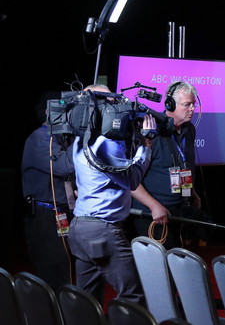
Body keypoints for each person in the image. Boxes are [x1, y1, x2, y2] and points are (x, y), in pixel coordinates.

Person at [67, 84, 157, 306]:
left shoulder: (80, 139)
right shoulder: (105, 142)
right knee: (134, 297)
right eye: (112, 101)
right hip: (102, 231)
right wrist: (145, 145)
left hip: (79, 228)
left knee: (86, 300)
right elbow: (131, 179)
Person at [129, 80, 209, 249]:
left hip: (178, 211)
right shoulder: (151, 131)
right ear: (170, 104)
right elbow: (130, 181)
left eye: (193, 104)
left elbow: (184, 165)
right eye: (187, 105)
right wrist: (153, 206)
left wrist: (190, 192)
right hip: (152, 215)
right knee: (160, 270)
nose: (192, 109)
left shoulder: (189, 129)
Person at [21, 90, 76, 293]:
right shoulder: (40, 139)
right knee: (54, 273)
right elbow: (63, 166)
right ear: (49, 111)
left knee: (65, 269)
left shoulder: (61, 139)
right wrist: (80, 138)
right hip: (45, 217)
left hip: (62, 214)